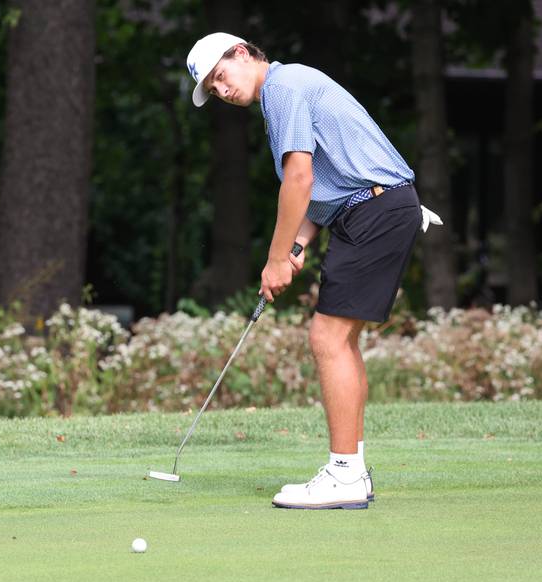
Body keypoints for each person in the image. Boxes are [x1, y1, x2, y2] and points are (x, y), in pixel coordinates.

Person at [186, 32, 441, 510]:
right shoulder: (288, 87)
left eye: (221, 77)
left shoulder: (282, 89)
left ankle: (344, 474)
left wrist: (277, 258)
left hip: (374, 210)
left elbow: (299, 178)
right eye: (214, 90)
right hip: (370, 208)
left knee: (327, 338)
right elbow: (325, 181)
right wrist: (299, 243)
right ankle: (353, 472)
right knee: (340, 339)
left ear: (242, 53)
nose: (222, 91)